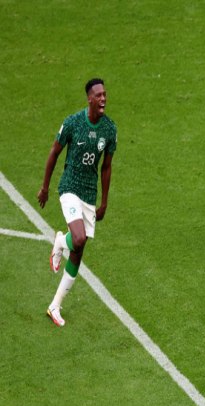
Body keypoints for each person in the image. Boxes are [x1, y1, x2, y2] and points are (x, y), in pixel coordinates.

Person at [37, 78, 117, 327]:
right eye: (99, 95)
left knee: (79, 250)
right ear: (89, 99)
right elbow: (54, 153)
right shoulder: (73, 123)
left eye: (105, 94)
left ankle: (55, 305)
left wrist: (103, 201)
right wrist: (45, 187)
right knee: (79, 239)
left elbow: (106, 167)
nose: (103, 98)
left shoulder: (109, 129)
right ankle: (63, 240)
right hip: (69, 188)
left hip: (89, 194)